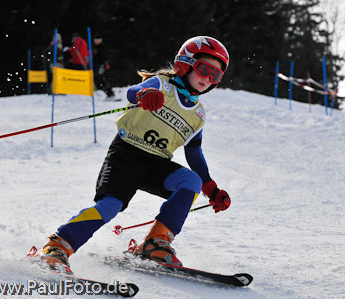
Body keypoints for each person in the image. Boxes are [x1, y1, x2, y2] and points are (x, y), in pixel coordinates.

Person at [33, 36, 232, 273]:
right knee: (110, 206)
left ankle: (155, 243)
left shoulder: (198, 114)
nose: (209, 79)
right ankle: (57, 246)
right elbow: (134, 91)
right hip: (126, 156)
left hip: (156, 165)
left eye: (216, 76)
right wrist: (143, 96)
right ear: (185, 63)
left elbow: (194, 153)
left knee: (191, 181)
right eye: (205, 69)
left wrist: (210, 188)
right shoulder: (161, 85)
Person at [92, 33, 118, 101]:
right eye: (95, 40)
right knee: (100, 81)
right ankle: (109, 94)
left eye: (98, 40)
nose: (96, 41)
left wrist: (102, 65)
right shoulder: (95, 47)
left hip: (101, 66)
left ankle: (111, 94)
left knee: (101, 81)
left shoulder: (101, 47)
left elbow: (104, 58)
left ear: (100, 40)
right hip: (97, 66)